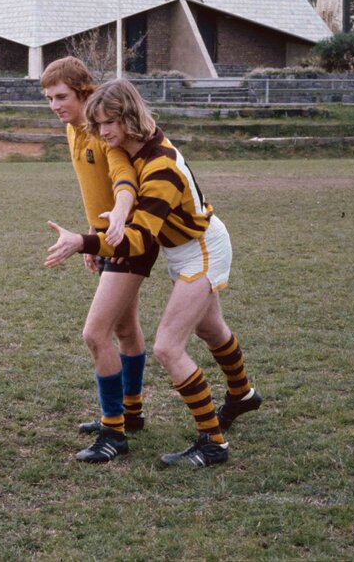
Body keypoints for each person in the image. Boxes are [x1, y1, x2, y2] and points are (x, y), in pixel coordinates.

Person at [45, 79, 262, 467]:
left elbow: (141, 241)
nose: (104, 132)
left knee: (167, 346)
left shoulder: (159, 166)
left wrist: (85, 241)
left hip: (202, 249)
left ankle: (213, 442)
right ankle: (243, 395)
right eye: (99, 125)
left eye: (110, 123)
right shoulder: (139, 148)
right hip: (185, 250)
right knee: (210, 329)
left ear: (129, 117)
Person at [40, 57, 157, 464]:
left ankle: (113, 432)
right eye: (49, 98)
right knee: (125, 327)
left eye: (61, 96)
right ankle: (132, 412)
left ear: (84, 91)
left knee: (95, 334)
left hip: (128, 240)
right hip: (105, 240)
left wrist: (115, 224)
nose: (54, 105)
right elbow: (96, 190)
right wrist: (92, 240)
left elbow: (123, 183)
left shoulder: (104, 136)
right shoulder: (72, 131)